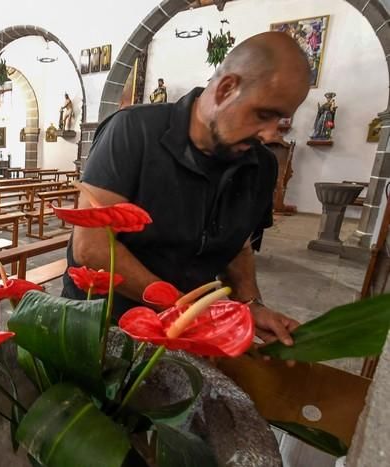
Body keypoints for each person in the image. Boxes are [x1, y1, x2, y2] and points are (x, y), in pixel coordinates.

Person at [63, 32, 311, 348]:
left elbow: (238, 244)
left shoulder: (261, 165)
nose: (269, 133)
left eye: (280, 119)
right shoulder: (132, 131)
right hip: (101, 324)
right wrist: (187, 310)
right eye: (264, 114)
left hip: (184, 328)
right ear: (226, 89)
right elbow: (92, 249)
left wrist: (250, 305)